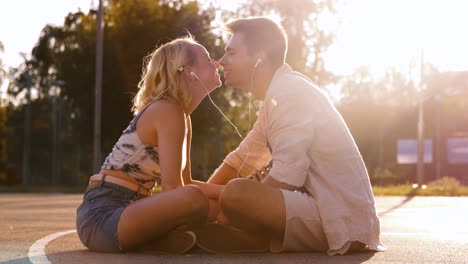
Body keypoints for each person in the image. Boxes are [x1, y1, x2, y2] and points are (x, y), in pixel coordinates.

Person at [194, 17, 386, 255]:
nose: (222, 62)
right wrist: (196, 198)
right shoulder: (276, 95)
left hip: (337, 217)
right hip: (321, 210)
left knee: (236, 194)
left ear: (259, 60)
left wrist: (220, 203)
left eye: (231, 53)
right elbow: (242, 159)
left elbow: (287, 175)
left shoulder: (289, 93)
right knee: (231, 194)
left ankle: (245, 234)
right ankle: (245, 236)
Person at [76, 36, 224, 254]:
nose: (217, 63)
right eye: (209, 59)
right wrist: (221, 210)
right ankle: (167, 238)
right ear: (189, 72)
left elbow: (186, 181)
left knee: (201, 200)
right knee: (195, 200)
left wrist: (230, 193)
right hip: (103, 216)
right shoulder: (167, 110)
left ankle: (161, 240)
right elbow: (174, 189)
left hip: (134, 209)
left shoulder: (183, 117)